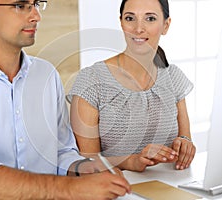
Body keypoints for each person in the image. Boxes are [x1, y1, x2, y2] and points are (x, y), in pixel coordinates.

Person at [0, 0, 131, 199]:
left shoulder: (46, 74)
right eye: (20, 6)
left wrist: (84, 168)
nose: (36, 16)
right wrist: (71, 189)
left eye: (36, 4)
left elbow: (61, 150)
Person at [67, 0, 196, 172]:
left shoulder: (173, 77)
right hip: (116, 191)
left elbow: (184, 136)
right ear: (121, 22)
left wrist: (185, 144)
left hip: (172, 188)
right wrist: (131, 162)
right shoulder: (92, 80)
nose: (138, 28)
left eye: (150, 18)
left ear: (166, 25)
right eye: (130, 18)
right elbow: (87, 161)